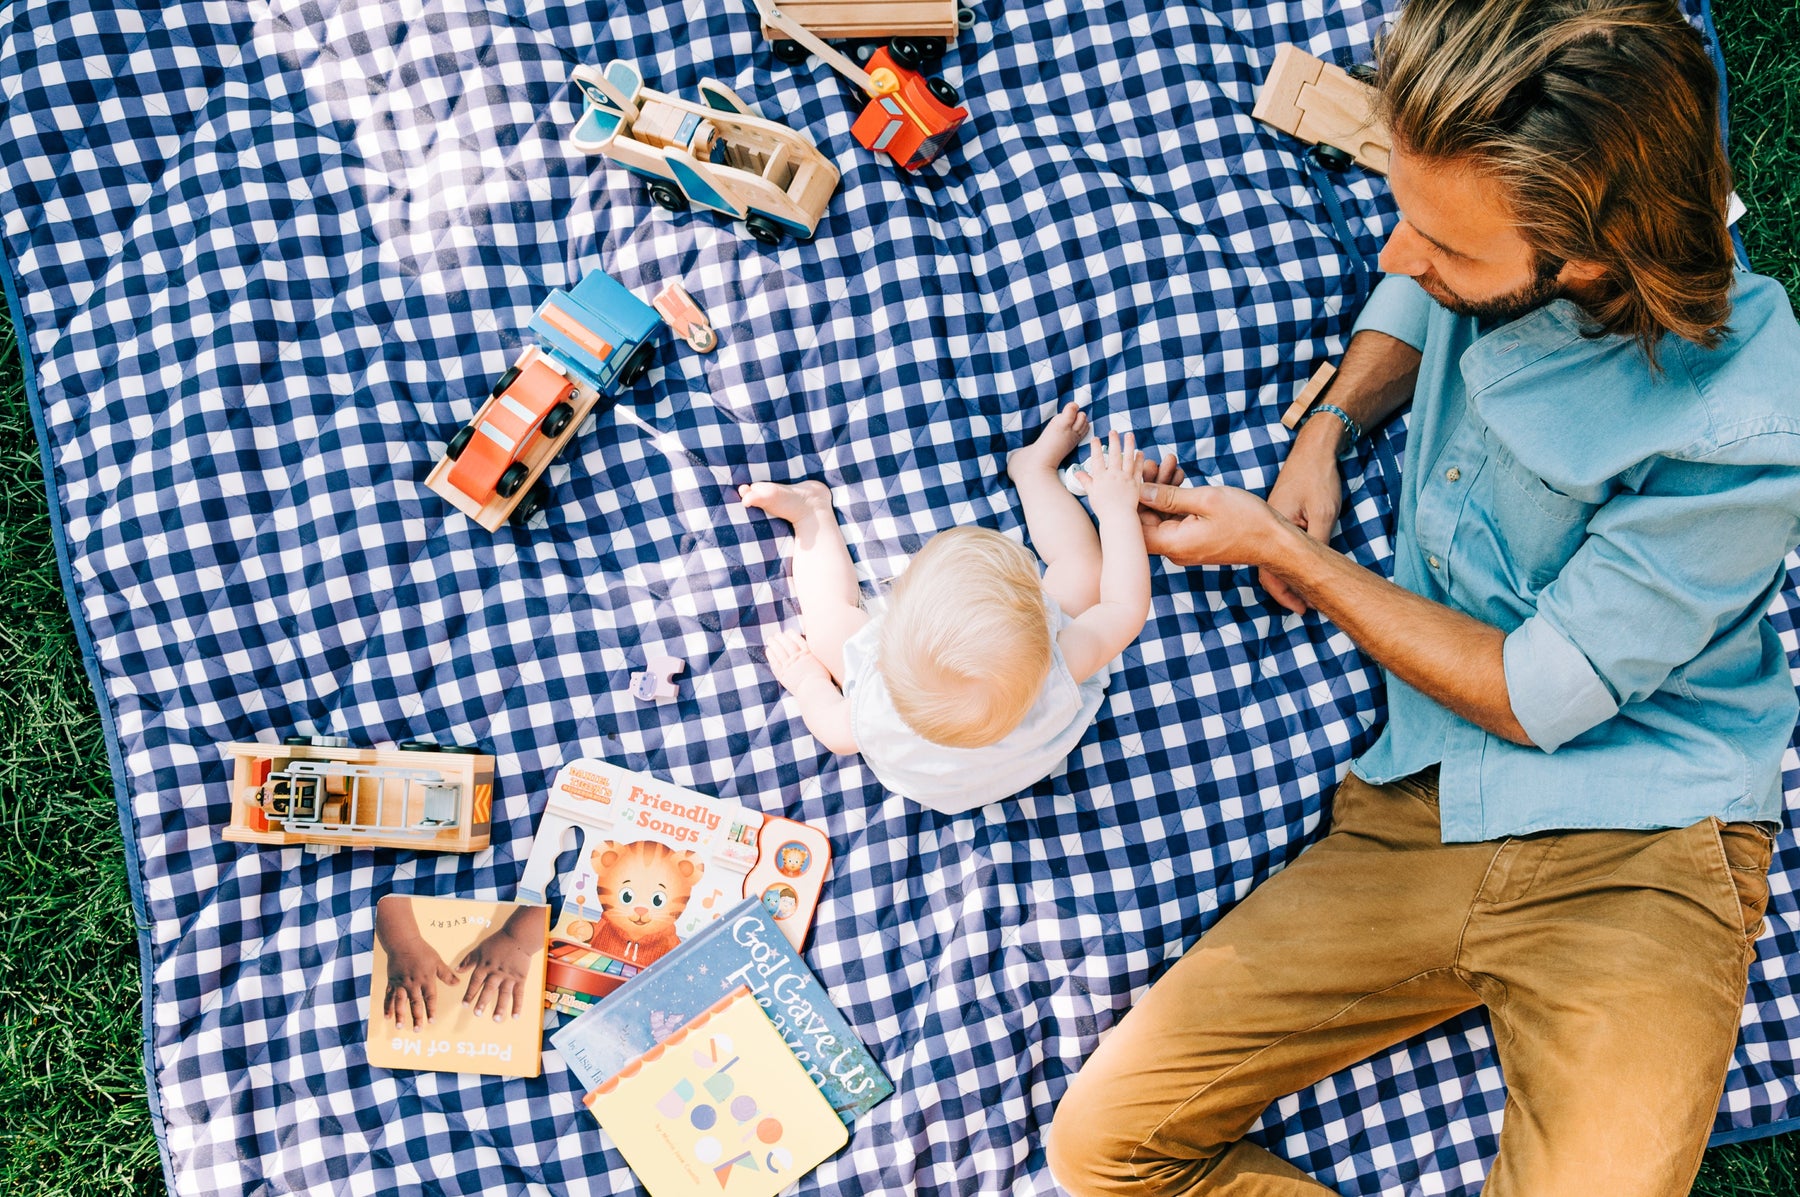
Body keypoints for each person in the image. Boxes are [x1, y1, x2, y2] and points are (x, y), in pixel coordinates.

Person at [1047, 0, 1800, 1192]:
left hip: (1647, 844)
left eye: (1442, 251)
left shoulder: (1750, 430)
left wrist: (1289, 558)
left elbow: (1536, 694)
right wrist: (1331, 430)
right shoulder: (1505, 231)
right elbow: (1429, 274)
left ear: (1592, 259)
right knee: (1103, 1149)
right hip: (1423, 806)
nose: (1397, 260)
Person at [740, 404, 1177, 814]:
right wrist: (1116, 512)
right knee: (1083, 568)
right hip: (1030, 750)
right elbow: (1124, 604)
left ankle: (811, 517)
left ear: (888, 634)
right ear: (1043, 631)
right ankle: (1034, 473)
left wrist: (808, 680)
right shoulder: (1058, 668)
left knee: (828, 621)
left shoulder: (876, 708)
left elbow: (835, 734)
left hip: (940, 784)